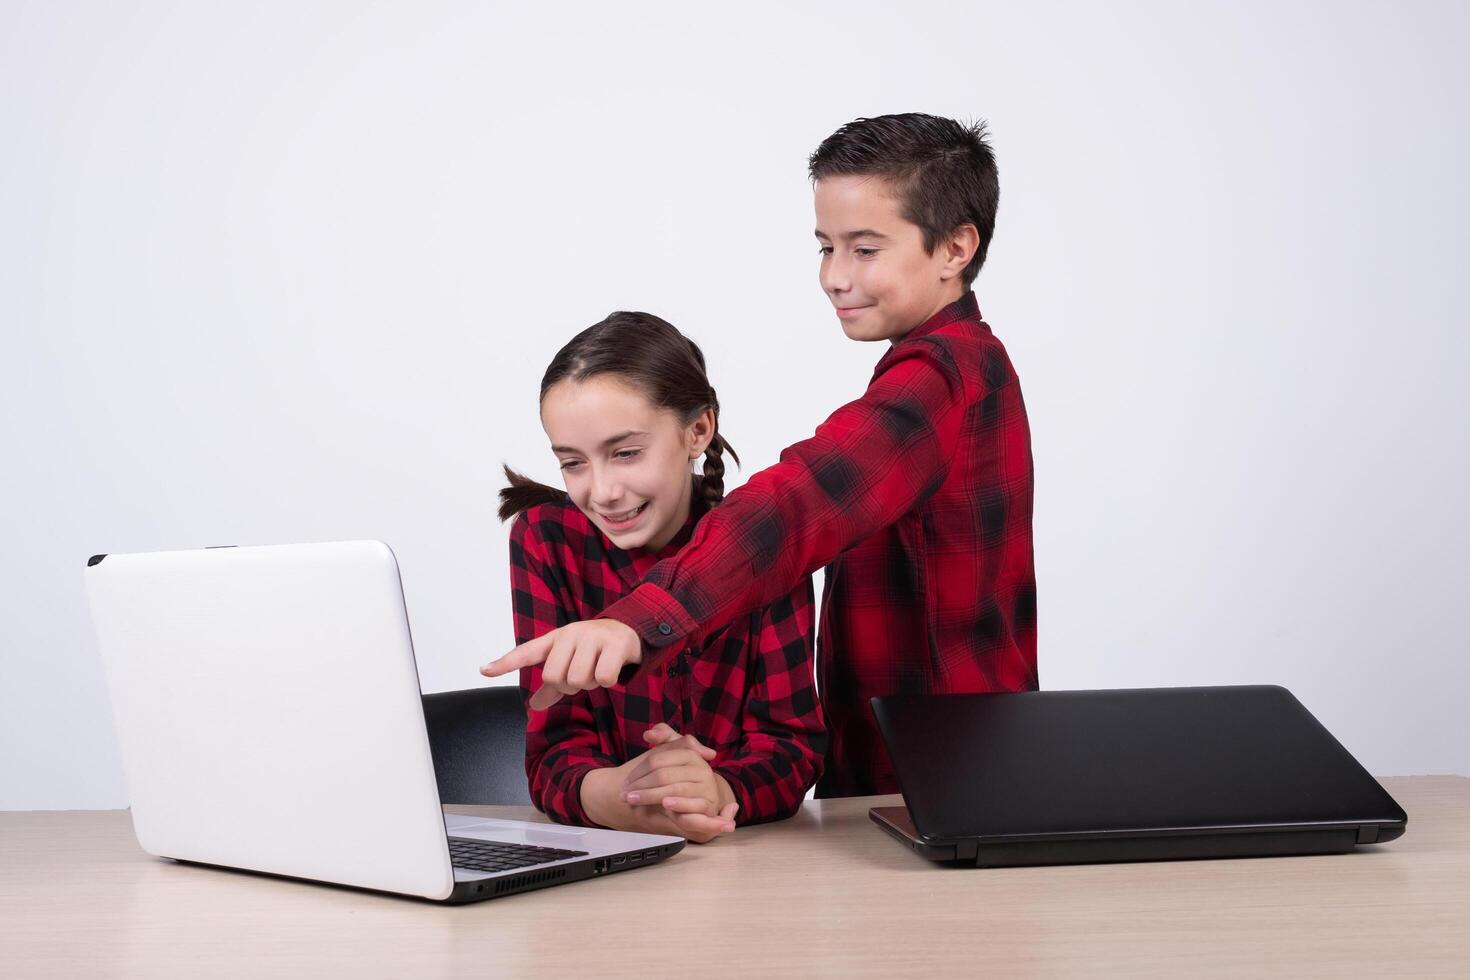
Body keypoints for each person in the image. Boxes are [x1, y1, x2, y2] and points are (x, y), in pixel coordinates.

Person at [486, 112, 1036, 797]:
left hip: (948, 777)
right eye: (825, 247)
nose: (835, 277)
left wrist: (638, 619)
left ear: (955, 248)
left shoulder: (944, 378)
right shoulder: (940, 372)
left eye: (864, 250)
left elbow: (803, 500)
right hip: (910, 777)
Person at [498, 311, 825, 841]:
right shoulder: (545, 539)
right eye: (573, 463)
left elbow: (792, 747)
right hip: (605, 864)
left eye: (625, 454)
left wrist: (717, 790)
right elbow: (553, 753)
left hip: (744, 870)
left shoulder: (763, 539)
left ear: (697, 430)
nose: (601, 491)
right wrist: (625, 795)